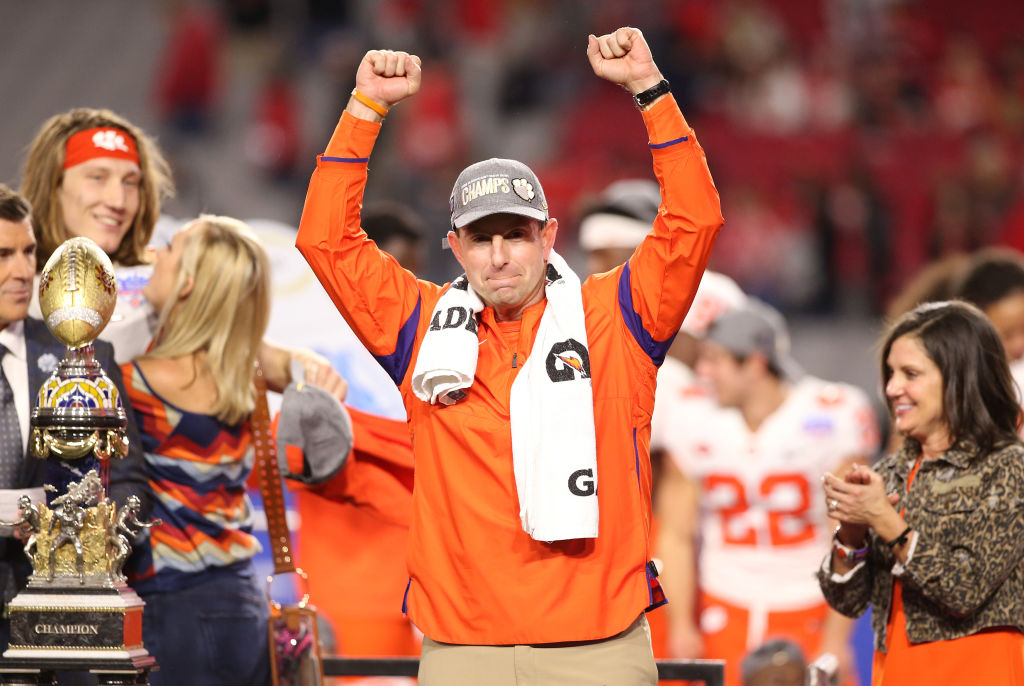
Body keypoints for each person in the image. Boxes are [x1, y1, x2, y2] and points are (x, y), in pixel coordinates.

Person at [296, 26, 723, 685]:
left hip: (599, 646)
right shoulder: (419, 326)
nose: (499, 255)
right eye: (481, 237)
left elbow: (692, 221)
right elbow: (327, 240)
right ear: (454, 246)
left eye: (516, 235)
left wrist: (649, 89)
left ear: (549, 236)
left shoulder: (620, 319)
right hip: (464, 651)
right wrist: (364, 110)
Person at [19, 107, 342, 398]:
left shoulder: (162, 276)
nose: (118, 201)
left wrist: (303, 365)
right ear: (53, 185)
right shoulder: (15, 280)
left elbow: (248, 352)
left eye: (131, 183)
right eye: (97, 178)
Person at [657, 300, 879, 686]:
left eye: (716, 360)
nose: (704, 372)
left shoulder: (830, 416)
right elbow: (675, 533)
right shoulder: (694, 416)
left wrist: (835, 636)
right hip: (722, 601)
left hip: (806, 600)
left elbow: (848, 534)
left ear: (755, 363)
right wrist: (681, 623)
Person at [819, 300, 1024, 685]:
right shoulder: (889, 472)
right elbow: (847, 601)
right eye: (890, 373)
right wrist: (851, 534)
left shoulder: (1009, 467)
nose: (893, 388)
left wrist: (883, 519)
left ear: (959, 377)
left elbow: (965, 588)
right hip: (894, 670)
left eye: (910, 374)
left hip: (980, 671)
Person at [122, 215, 273, 686]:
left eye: (168, 247)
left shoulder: (133, 381)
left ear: (187, 283)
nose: (153, 255)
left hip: (172, 608)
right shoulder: (248, 379)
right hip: (245, 603)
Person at [0, 184, 148, 652]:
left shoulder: (85, 352)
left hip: (66, 612)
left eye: (29, 252)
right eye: (3, 254)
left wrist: (91, 533)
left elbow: (129, 478)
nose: (24, 271)